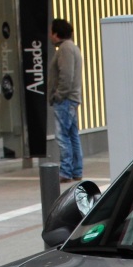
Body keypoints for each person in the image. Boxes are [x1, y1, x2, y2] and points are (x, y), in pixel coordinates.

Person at [48, 18, 82, 183]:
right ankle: (76, 170)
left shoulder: (65, 50)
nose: (49, 35)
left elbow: (65, 75)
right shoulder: (72, 47)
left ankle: (66, 171)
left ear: (56, 33)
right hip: (72, 99)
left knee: (63, 137)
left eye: (51, 31)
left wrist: (58, 95)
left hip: (66, 99)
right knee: (72, 135)